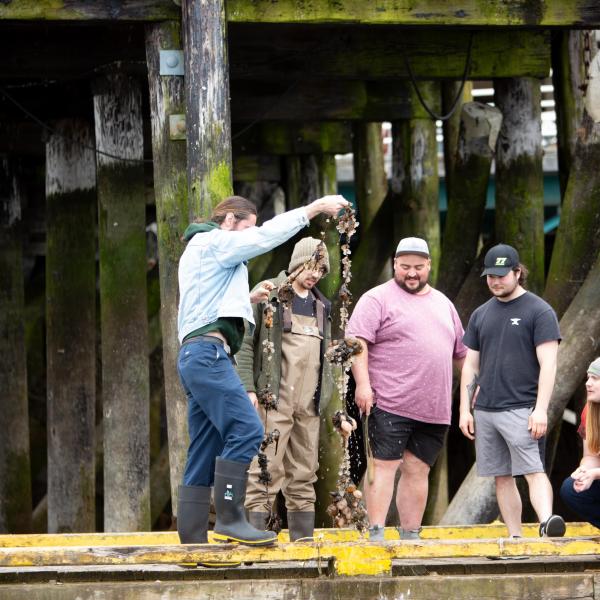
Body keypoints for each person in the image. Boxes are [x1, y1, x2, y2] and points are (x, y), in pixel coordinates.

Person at [176, 194, 348, 548]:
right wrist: (312, 209)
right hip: (209, 355)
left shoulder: (201, 249)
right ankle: (229, 517)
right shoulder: (215, 240)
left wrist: (248, 299)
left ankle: (191, 534)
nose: (248, 236)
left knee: (205, 445)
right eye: (246, 228)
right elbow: (265, 236)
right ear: (228, 221)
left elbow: (207, 299)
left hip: (196, 353)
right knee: (248, 429)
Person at [346, 237, 467, 541]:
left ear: (428, 265)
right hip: (389, 400)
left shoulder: (444, 303)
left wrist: (473, 393)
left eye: (418, 267)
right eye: (404, 267)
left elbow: (462, 354)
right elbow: (357, 342)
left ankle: (410, 534)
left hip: (434, 407)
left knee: (418, 469)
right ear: (394, 265)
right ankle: (374, 532)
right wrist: (363, 384)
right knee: (384, 466)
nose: (411, 273)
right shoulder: (376, 298)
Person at [459, 243, 565, 538]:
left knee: (533, 469)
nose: (495, 281)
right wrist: (464, 410)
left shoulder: (539, 310)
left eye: (502, 275)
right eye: (491, 275)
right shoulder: (480, 314)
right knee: (500, 477)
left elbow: (549, 364)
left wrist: (541, 409)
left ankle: (547, 523)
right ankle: (515, 536)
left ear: (518, 273)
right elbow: (470, 366)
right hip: (485, 410)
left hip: (522, 407)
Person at [236, 237, 332, 541]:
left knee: (304, 473)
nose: (315, 274)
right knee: (265, 471)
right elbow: (243, 344)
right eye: (310, 266)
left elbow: (327, 359)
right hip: (273, 401)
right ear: (296, 263)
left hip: (309, 407)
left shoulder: (322, 306)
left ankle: (302, 543)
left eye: (321, 270)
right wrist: (248, 389)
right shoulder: (269, 295)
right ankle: (256, 539)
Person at [560, 357, 600, 528]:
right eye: (588, 378)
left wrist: (595, 474)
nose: (588, 383)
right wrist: (584, 471)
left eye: (595, 378)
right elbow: (591, 455)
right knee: (570, 489)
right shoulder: (589, 412)